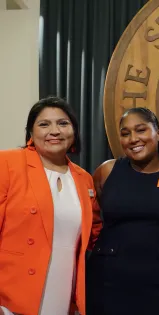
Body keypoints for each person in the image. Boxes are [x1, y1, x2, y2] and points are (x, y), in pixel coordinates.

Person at [86, 107, 159, 314]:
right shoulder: (107, 171)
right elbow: (91, 220)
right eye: (125, 134)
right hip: (108, 283)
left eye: (140, 130)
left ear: (158, 134)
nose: (133, 139)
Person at [0, 96, 101, 315]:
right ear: (30, 132)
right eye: (44, 124)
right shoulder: (7, 163)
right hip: (11, 298)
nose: (54, 131)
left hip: (63, 295)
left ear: (73, 131)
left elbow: (93, 235)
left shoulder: (84, 179)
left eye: (62, 123)